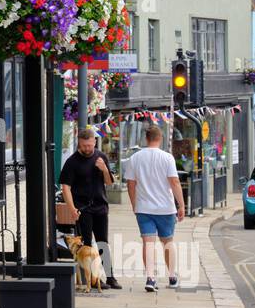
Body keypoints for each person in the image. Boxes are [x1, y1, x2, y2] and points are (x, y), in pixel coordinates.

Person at [123, 124, 185, 292]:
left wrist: (134, 204)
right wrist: (181, 205)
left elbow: (130, 184)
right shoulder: (167, 158)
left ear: (146, 139)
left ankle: (150, 278)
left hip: (144, 208)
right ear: (160, 138)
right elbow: (174, 182)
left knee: (148, 243)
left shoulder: (134, 158)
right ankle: (172, 276)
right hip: (166, 208)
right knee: (168, 242)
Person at [59, 126, 122, 290]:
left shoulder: (101, 157)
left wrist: (104, 170)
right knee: (86, 245)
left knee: (103, 243)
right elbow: (65, 186)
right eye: (84, 145)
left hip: (100, 206)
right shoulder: (72, 161)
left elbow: (109, 183)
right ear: (79, 143)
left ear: (95, 141)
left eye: (90, 145)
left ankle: (110, 277)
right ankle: (94, 280)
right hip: (82, 209)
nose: (87, 149)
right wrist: (72, 209)